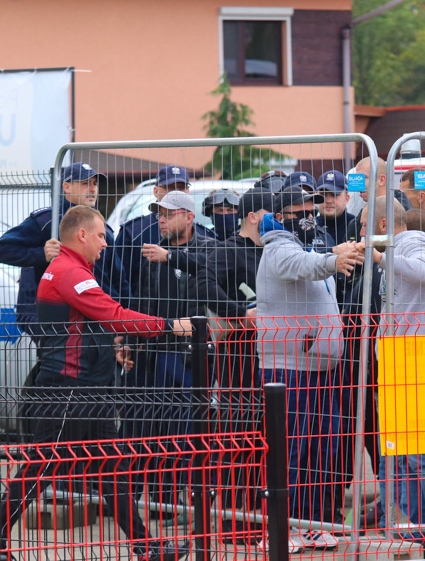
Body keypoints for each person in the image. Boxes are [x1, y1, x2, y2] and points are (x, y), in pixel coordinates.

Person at [0, 205, 191, 561]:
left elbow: (86, 325)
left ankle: (145, 547)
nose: (106, 244)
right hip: (69, 390)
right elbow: (113, 315)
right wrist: (171, 325)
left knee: (110, 468)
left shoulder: (76, 270)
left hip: (88, 387)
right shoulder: (70, 271)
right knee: (37, 469)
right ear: (82, 235)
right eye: (101, 236)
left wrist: (109, 349)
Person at [256, 186, 363, 550]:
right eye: (300, 210)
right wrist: (334, 260)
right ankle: (282, 530)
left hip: (320, 368)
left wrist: (335, 255)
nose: (310, 216)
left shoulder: (307, 244)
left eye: (312, 209)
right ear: (282, 215)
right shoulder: (278, 248)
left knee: (321, 447)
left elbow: (314, 263)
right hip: (288, 370)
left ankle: (312, 523)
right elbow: (304, 267)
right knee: (291, 450)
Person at [359, 197, 425, 558]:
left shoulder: (413, 242)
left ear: (383, 227)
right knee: (399, 458)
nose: (360, 234)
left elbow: (424, 271)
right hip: (400, 363)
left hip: (415, 363)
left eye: (363, 226)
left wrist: (380, 257)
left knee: (420, 459)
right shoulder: (401, 247)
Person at [121, 190, 217, 510]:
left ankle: (195, 497)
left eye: (169, 213)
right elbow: (142, 301)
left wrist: (171, 257)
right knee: (158, 424)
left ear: (189, 217)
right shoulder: (152, 255)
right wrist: (128, 341)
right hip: (159, 352)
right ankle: (163, 499)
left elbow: (212, 263)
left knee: (189, 425)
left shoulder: (207, 246)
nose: (162, 219)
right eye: (159, 213)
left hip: (195, 354)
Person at [194, 186, 275, 543]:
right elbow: (203, 287)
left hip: (275, 360)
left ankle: (260, 516)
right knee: (238, 437)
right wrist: (240, 312)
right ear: (254, 216)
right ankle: (233, 522)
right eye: (275, 215)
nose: (282, 222)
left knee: (266, 439)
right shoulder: (226, 250)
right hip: (238, 359)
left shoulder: (274, 250)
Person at [0, 162, 127, 344]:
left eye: (94, 183)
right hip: (60, 328)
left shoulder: (103, 230)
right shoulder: (48, 222)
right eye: (85, 183)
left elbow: (119, 281)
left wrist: (121, 330)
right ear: (67, 187)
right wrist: (42, 254)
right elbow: (0, 251)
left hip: (101, 328)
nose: (93, 189)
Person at [114, 165, 212, 298]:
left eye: (182, 188)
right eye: (170, 187)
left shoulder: (204, 235)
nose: (176, 193)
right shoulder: (133, 233)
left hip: (194, 315)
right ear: (155, 191)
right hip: (148, 314)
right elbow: (118, 280)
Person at [316, 170, 357, 246]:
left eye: (334, 195)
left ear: (347, 199)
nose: (328, 201)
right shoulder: (309, 227)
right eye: (323, 194)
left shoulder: (358, 227)